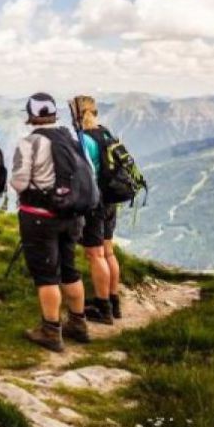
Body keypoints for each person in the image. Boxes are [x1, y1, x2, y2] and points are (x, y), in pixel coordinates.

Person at [10, 93, 90, 352]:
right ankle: (78, 324)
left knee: (46, 276)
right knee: (69, 269)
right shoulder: (70, 138)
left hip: (40, 217)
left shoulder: (29, 143)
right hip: (72, 216)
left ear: (31, 116)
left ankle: (50, 330)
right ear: (54, 114)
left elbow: (20, 182)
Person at [71, 96, 121, 324]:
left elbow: (81, 173)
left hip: (95, 202)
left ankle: (103, 308)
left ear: (76, 115)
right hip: (111, 200)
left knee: (95, 254)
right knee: (108, 251)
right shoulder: (105, 133)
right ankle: (113, 301)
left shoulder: (84, 139)